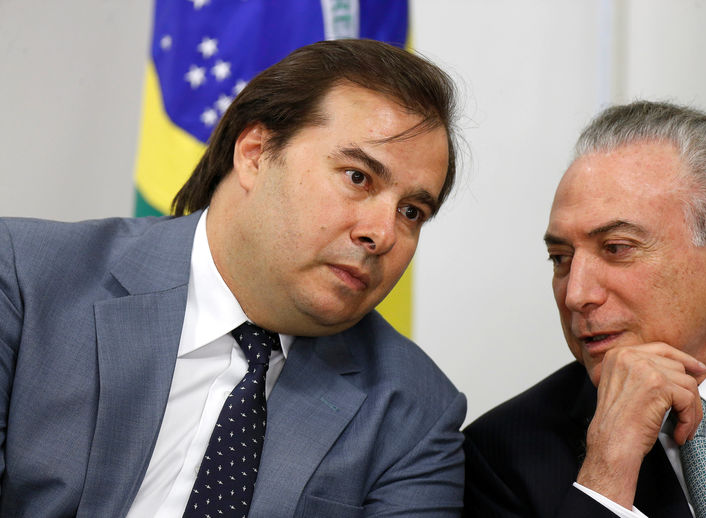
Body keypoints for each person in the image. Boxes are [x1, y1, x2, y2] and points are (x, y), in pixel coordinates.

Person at [0, 39, 466, 517]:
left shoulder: (415, 410)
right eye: (357, 177)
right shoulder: (24, 278)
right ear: (255, 152)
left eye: (412, 211)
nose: (383, 234)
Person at [462, 101, 706, 517]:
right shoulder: (504, 455)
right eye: (561, 258)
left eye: (616, 248)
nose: (576, 294)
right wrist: (606, 474)